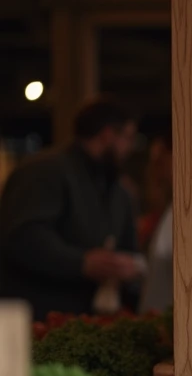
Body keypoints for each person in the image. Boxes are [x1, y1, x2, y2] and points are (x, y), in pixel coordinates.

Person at [0, 97, 144, 319]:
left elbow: (128, 247)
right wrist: (83, 263)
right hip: (40, 322)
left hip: (93, 322)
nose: (130, 148)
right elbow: (24, 236)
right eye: (128, 138)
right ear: (107, 134)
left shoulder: (118, 189)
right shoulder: (43, 170)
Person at [139, 118, 174, 314]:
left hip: (175, 325)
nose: (157, 170)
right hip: (161, 320)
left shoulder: (190, 211)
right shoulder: (170, 209)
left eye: (161, 161)